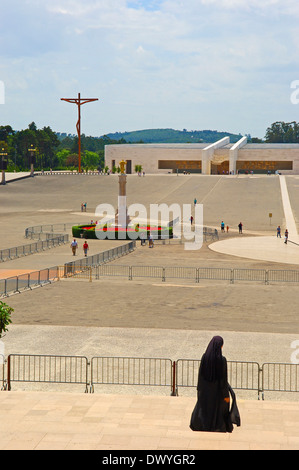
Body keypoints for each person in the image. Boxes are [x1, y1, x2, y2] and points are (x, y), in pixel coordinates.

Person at [190, 336, 233, 433]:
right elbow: (223, 379)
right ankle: (214, 426)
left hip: (205, 390)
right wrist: (226, 395)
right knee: (216, 410)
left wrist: (199, 390)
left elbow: (200, 375)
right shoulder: (222, 360)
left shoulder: (204, 357)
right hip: (216, 392)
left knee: (205, 409)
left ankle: (204, 425)